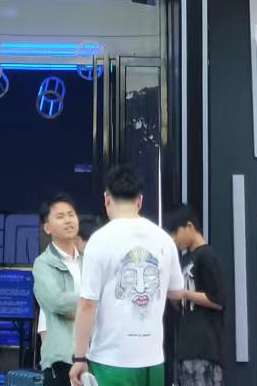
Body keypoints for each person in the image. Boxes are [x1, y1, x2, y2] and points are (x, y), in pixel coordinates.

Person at [70, 165, 185, 386]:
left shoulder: (99, 240)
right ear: (139, 201)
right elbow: (176, 293)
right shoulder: (164, 239)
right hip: (153, 361)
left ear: (107, 199)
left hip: (111, 361)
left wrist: (80, 358)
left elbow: (87, 304)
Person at [164, 206, 228, 386]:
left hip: (205, 349)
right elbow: (181, 305)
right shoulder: (184, 260)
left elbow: (217, 301)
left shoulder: (208, 256)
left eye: (175, 232)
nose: (174, 238)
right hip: (186, 349)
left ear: (189, 226)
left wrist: (184, 292)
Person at [34, 194, 85, 385]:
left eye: (71, 214)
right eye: (60, 216)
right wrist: (90, 306)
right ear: (47, 228)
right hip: (61, 359)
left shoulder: (88, 261)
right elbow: (57, 302)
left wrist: (79, 309)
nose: (68, 220)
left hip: (92, 356)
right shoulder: (43, 264)